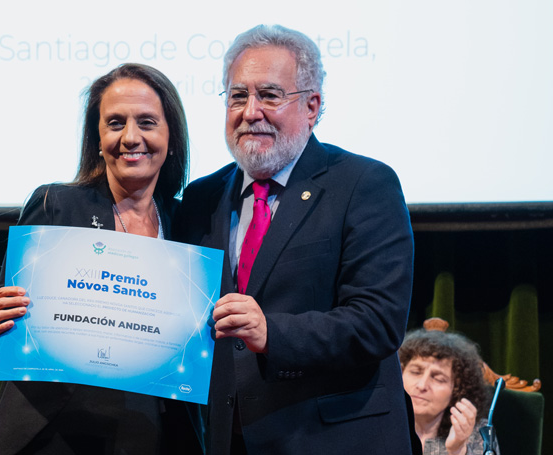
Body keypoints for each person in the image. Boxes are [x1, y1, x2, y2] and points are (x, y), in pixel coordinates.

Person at [173, 24, 416, 454]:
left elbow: (377, 321)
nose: (250, 111)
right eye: (237, 96)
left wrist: (273, 332)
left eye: (269, 95)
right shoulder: (200, 198)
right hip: (229, 440)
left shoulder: (363, 184)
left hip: (335, 439)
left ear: (312, 106)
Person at [0, 63, 199, 455]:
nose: (131, 137)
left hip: (149, 434)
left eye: (147, 122)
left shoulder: (189, 225)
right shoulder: (56, 205)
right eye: (115, 123)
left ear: (170, 135)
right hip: (53, 434)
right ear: (97, 137)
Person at [400, 329, 499, 455]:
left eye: (438, 379)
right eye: (415, 372)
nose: (422, 385)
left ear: (458, 389)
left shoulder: (479, 432)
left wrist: (457, 450)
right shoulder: (381, 422)